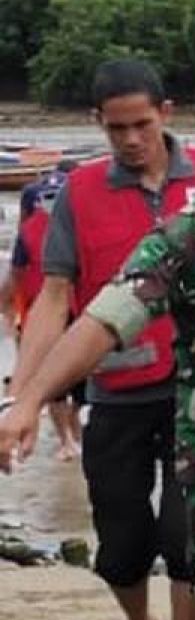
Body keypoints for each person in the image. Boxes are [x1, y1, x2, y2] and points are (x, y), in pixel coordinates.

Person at [0, 59, 195, 620]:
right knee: (120, 545)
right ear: (98, 123)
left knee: (186, 540)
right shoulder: (80, 191)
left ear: (167, 114)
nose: (130, 139)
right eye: (115, 127)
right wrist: (24, 399)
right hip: (114, 390)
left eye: (141, 124)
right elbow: (52, 297)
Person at [0, 165, 84, 461]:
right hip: (67, 307)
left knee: (57, 381)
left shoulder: (30, 229)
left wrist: (8, 310)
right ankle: (70, 434)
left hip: (43, 305)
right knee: (70, 383)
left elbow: (15, 276)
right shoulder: (78, 222)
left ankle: (68, 437)